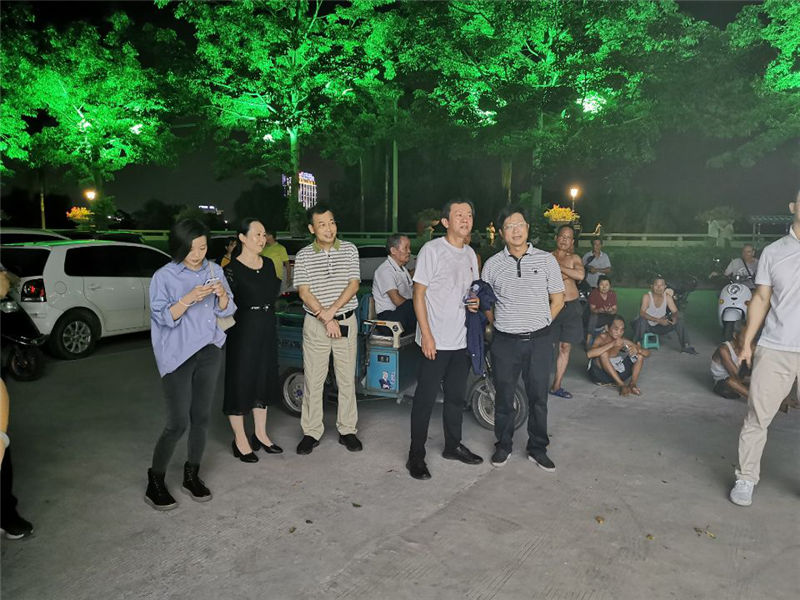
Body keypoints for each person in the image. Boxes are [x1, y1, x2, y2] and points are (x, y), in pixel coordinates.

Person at [145, 219, 236, 510]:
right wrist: (187, 299)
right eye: (192, 249)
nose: (197, 255)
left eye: (203, 248)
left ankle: (191, 475)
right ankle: (155, 480)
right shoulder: (164, 276)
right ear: (180, 246)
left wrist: (222, 295)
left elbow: (229, 309)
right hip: (177, 356)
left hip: (210, 351)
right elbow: (162, 317)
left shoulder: (214, 270)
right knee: (177, 423)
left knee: (201, 418)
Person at [729, 193, 800, 507]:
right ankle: (746, 477)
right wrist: (747, 341)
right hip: (775, 347)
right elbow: (760, 299)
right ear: (793, 208)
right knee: (757, 416)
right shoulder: (774, 252)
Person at [481, 205, 565, 469]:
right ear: (501, 233)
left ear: (527, 228)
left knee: (539, 398)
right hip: (505, 343)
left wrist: (541, 322)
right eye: (509, 226)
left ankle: (538, 447)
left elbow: (558, 299)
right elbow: (486, 303)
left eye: (519, 224)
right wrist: (500, 323)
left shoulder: (546, 260)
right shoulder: (492, 265)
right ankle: (503, 446)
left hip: (539, 341)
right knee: (504, 397)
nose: (515, 230)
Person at [406, 199, 484, 480]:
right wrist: (427, 335)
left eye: (469, 215)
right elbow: (418, 295)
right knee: (425, 400)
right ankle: (416, 456)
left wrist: (475, 302)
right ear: (445, 222)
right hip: (435, 342)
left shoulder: (470, 254)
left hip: (461, 341)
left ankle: (453, 446)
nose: (465, 219)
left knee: (455, 398)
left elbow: (472, 291)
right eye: (459, 215)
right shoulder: (432, 250)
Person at [293, 204, 362, 455]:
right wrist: (326, 317)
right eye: (322, 224)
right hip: (316, 325)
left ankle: (347, 430)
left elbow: (354, 285)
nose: (329, 228)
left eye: (331, 222)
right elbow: (304, 292)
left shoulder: (350, 249)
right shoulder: (303, 256)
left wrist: (332, 312)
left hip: (345, 321)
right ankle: (311, 432)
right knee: (314, 380)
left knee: (346, 379)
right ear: (312, 229)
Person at [223, 218, 283, 463]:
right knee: (240, 379)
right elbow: (224, 305)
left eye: (264, 234)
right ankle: (240, 439)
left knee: (263, 378)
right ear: (242, 237)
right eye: (257, 234)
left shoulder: (268, 264)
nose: (262, 239)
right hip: (243, 330)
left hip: (267, 326)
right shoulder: (231, 269)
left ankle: (260, 434)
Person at [549, 224, 585, 399]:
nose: (564, 240)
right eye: (562, 236)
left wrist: (559, 268)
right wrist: (567, 274)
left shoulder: (574, 258)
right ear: (557, 238)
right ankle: (538, 381)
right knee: (546, 346)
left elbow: (580, 275)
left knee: (565, 347)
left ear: (572, 242)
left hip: (571, 307)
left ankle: (556, 385)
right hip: (552, 307)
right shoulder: (547, 257)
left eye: (568, 237)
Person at [587, 315, 650, 396]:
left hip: (616, 374)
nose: (619, 332)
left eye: (622, 330)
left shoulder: (622, 341)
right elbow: (589, 354)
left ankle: (632, 384)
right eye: (616, 329)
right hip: (600, 375)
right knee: (603, 354)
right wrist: (612, 344)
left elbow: (647, 353)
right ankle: (621, 385)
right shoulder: (602, 338)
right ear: (607, 328)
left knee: (639, 356)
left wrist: (638, 350)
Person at [633, 276, 698, 354]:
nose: (659, 287)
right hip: (647, 326)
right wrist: (658, 320)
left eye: (661, 285)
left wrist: (674, 317)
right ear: (652, 286)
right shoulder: (647, 297)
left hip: (661, 326)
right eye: (656, 285)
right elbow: (642, 313)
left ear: (665, 287)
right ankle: (635, 345)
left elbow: (675, 311)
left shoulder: (667, 297)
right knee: (641, 320)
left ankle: (686, 346)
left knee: (679, 321)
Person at [371, 234, 416, 333]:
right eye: (405, 248)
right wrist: (417, 307)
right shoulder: (385, 270)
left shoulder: (402, 269)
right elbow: (396, 300)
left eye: (409, 248)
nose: (409, 251)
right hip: (388, 320)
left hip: (402, 315)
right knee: (413, 305)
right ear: (393, 250)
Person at [711, 323, 750, 400]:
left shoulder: (746, 347)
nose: (747, 341)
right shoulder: (723, 349)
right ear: (735, 335)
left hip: (742, 378)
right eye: (744, 337)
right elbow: (735, 375)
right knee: (731, 382)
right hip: (723, 381)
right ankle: (757, 400)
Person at [585, 275, 618, 347]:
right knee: (593, 317)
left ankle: (613, 338)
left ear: (610, 286)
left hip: (607, 314)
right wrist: (599, 310)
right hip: (596, 314)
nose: (604, 287)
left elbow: (615, 309)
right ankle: (589, 339)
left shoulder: (612, 294)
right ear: (598, 285)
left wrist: (610, 311)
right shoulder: (594, 293)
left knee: (616, 318)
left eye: (606, 285)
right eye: (602, 285)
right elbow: (592, 310)